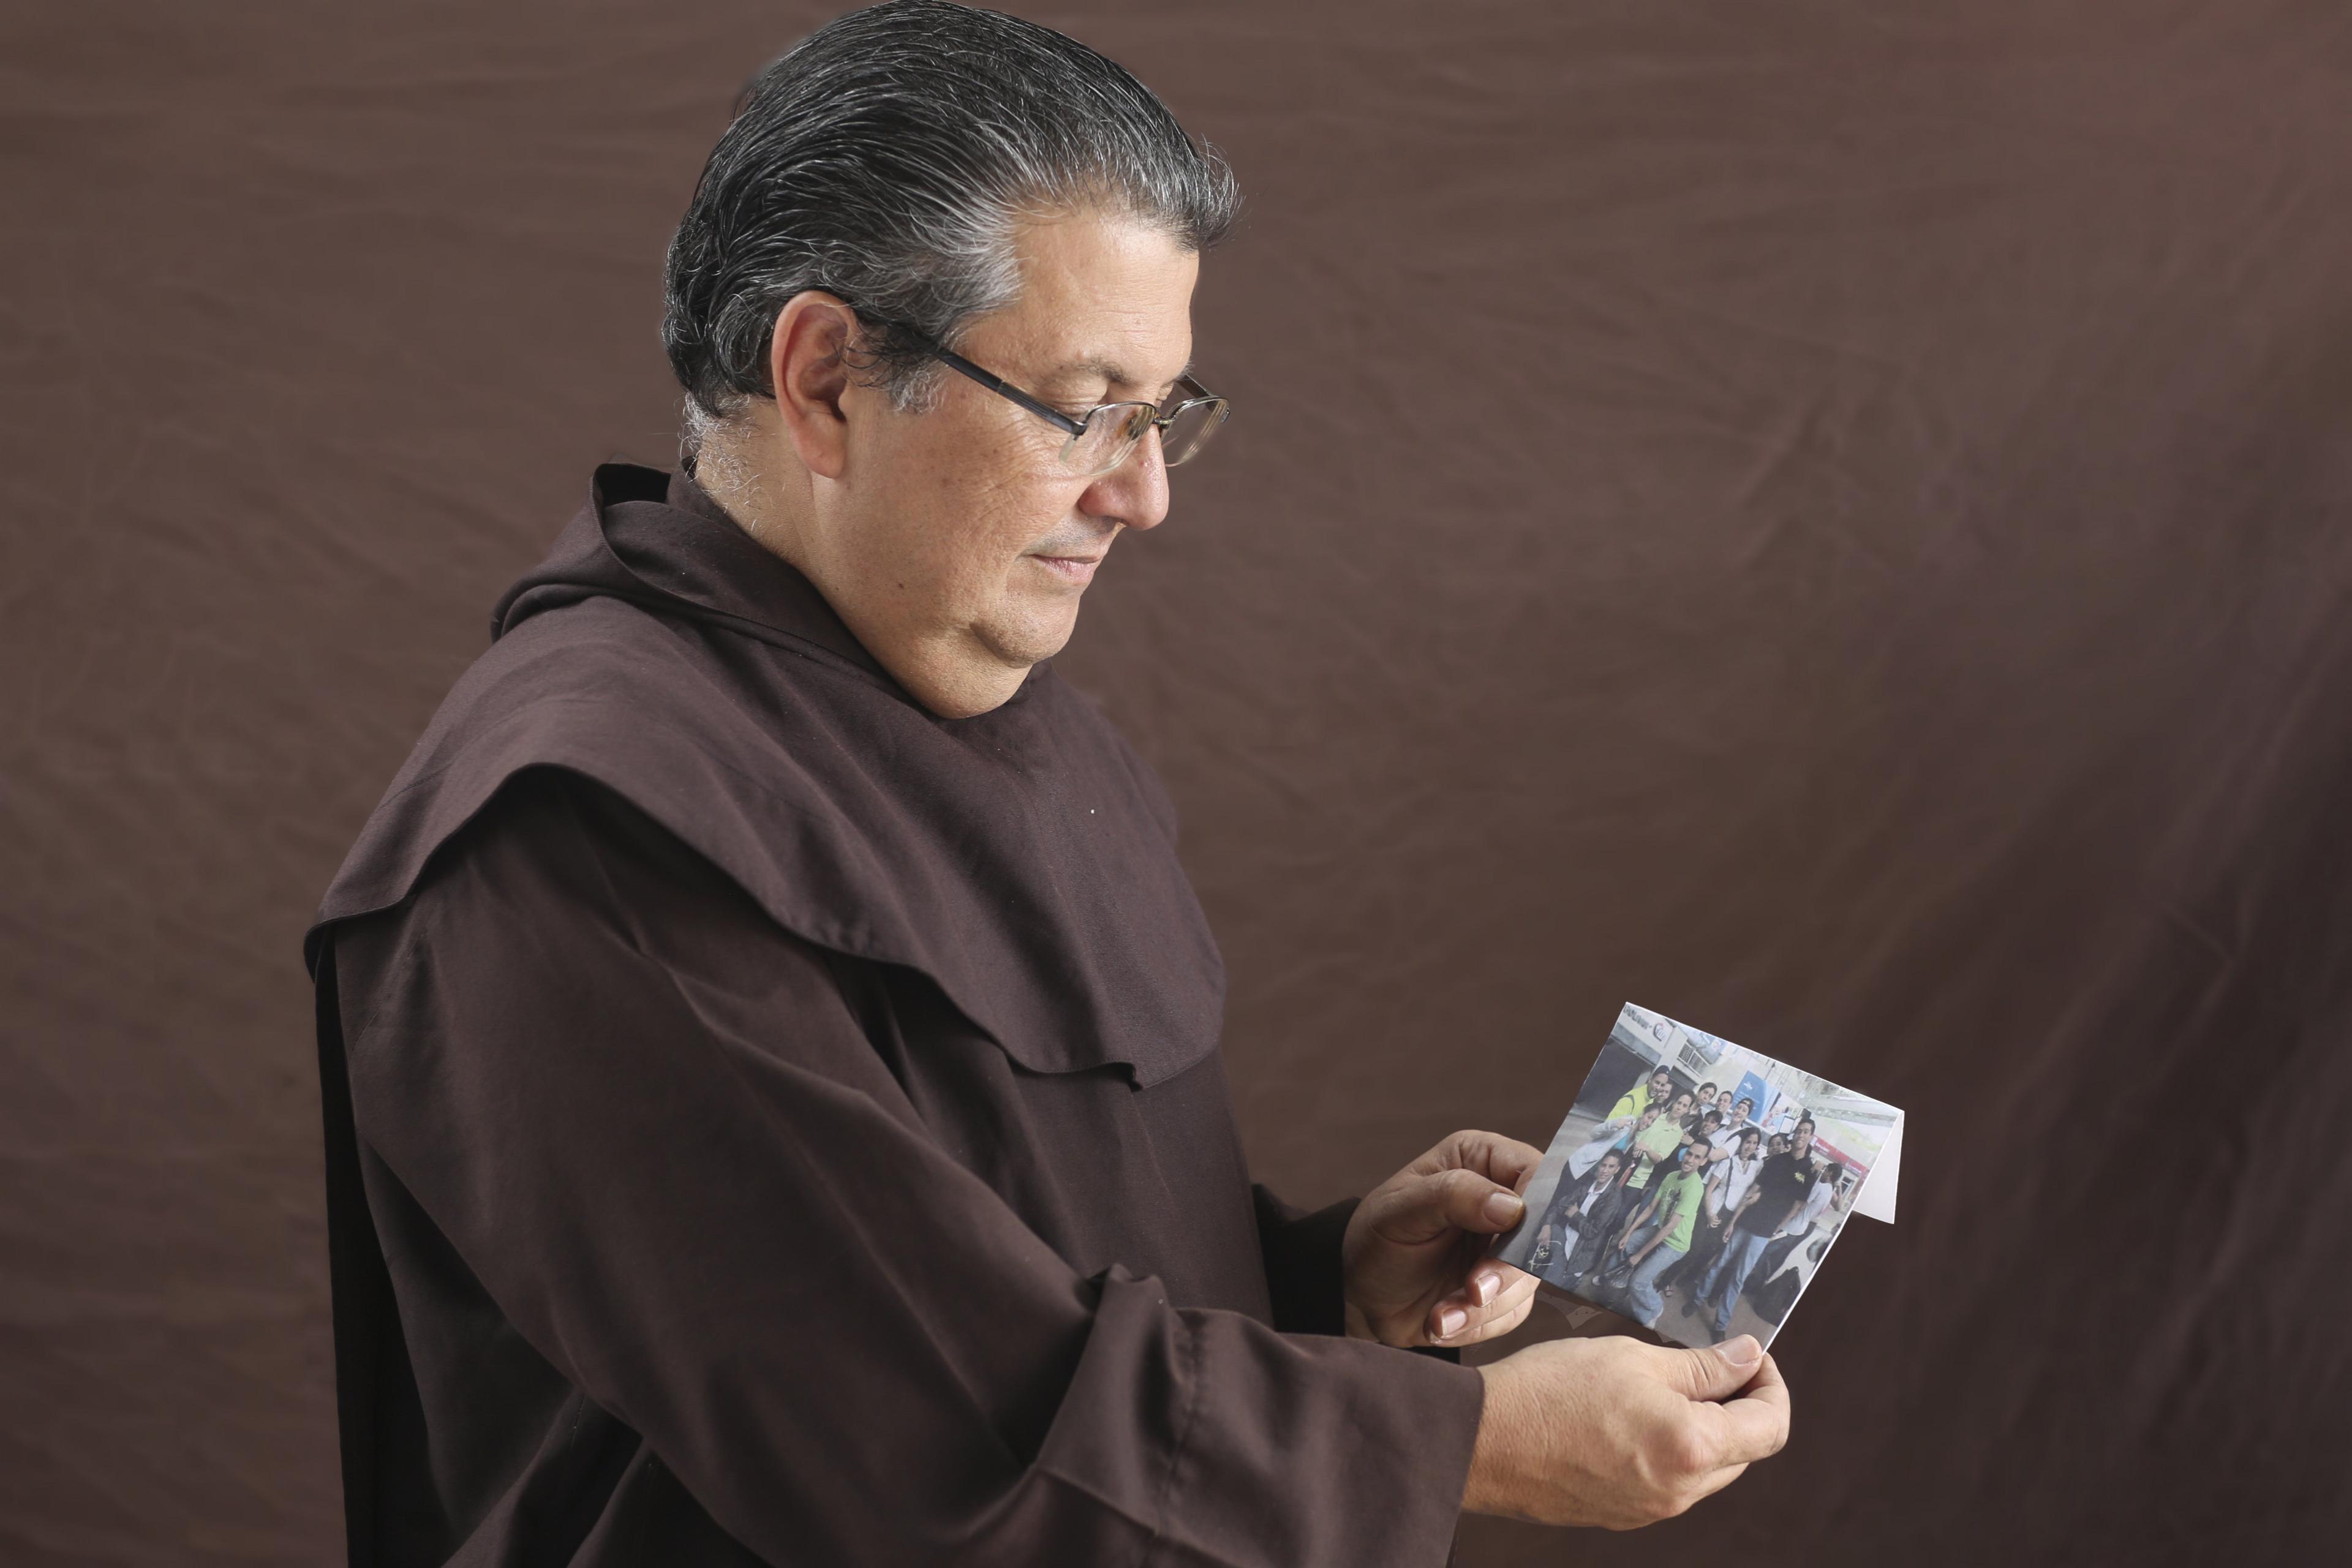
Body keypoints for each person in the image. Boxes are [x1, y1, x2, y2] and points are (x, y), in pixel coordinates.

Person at [300, 5, 1788, 1563]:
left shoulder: (1000, 713)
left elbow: (1021, 1277)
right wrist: (1471, 1442)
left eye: (1163, 415)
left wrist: (1322, 1288)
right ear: (822, 379)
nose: (1140, 494)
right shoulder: (578, 825)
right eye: (1086, 407)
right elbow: (924, 1428)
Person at [1693, 1118, 1819, 1338]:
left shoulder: (1809, 1171)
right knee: (1721, 1263)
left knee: (1739, 1277)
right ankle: (1697, 1299)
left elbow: (1797, 1206)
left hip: (1765, 1230)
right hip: (1746, 1221)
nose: (1801, 1135)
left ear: (1811, 1137)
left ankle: (1721, 1325)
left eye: (1806, 1132)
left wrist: (1777, 1228)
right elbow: (1754, 1189)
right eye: (1798, 1131)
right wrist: (1733, 1221)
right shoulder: (1777, 1160)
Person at [1615, 1142, 1711, 1330]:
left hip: (1675, 1244)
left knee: (1639, 1282)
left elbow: (1669, 1229)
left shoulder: (1695, 1188)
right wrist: (1629, 1233)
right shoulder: (1672, 1176)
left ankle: (1653, 1309)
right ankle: (1617, 1283)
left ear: (1704, 1161)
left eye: (1697, 1157)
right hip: (1659, 1230)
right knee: (1626, 1244)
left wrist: (1640, 1255)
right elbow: (1651, 1208)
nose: (1690, 1160)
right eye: (1689, 1154)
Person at [1528, 1150, 1630, 1288]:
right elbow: (1560, 1205)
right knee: (1534, 1254)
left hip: (1579, 1250)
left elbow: (1592, 1231)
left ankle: (1571, 1280)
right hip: (1564, 1237)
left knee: (1547, 1282)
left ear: (1617, 1170)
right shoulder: (1588, 1184)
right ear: (1599, 1165)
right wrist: (1546, 1226)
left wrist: (1575, 1215)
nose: (1605, 1171)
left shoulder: (1614, 1198)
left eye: (1611, 1167)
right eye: (1603, 1165)